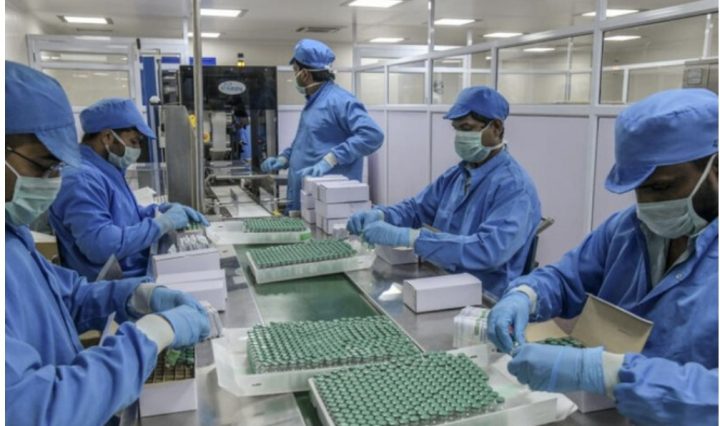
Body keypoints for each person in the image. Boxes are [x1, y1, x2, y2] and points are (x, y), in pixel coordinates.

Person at [487, 88, 718, 425]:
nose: (647, 205)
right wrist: (526, 295)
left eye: (662, 187)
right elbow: (566, 279)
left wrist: (607, 372)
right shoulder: (627, 228)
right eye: (638, 188)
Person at [5, 61, 210, 426]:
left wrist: (134, 295)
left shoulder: (11, 234)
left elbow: (64, 297)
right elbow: (31, 410)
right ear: (107, 137)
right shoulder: (82, 178)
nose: (53, 179)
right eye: (43, 166)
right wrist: (149, 336)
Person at [347, 86, 541, 299]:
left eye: (467, 128)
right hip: (442, 279)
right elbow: (417, 209)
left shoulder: (514, 188)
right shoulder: (458, 175)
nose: (460, 136)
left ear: (496, 127)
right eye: (456, 129)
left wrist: (412, 238)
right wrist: (382, 215)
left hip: (485, 297)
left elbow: (488, 250)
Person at [49, 97, 209, 280]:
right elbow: (101, 246)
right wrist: (162, 224)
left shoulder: (106, 169)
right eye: (133, 142)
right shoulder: (81, 178)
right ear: (108, 137)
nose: (138, 149)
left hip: (135, 269)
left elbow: (125, 216)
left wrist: (157, 211)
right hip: (115, 286)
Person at [260, 38, 384, 212]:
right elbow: (304, 142)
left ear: (305, 74)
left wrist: (331, 159)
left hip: (329, 204)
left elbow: (372, 135)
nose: (294, 75)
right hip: (305, 199)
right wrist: (284, 158)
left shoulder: (340, 101)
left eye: (295, 70)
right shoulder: (313, 102)